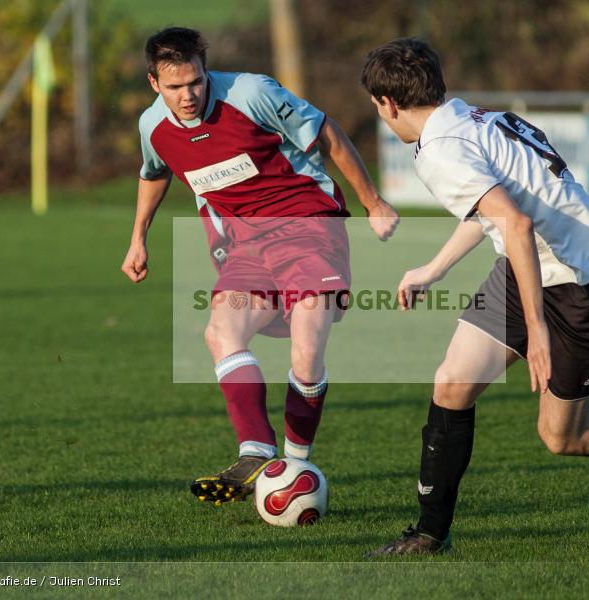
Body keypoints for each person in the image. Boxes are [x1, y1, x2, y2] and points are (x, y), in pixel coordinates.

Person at [359, 38, 589, 555]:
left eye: (376, 105)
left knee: (563, 437)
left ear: (388, 104)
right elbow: (494, 213)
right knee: (452, 383)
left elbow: (516, 223)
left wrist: (537, 329)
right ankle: (430, 533)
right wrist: (433, 269)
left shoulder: (441, 150)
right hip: (529, 268)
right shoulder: (472, 118)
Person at [122, 27, 398, 505]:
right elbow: (154, 171)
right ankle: (255, 451)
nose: (188, 95)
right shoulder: (153, 126)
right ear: (153, 83)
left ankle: (295, 464)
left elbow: (326, 133)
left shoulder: (251, 93)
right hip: (244, 246)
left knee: (307, 351)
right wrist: (137, 238)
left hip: (308, 225)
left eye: (196, 81)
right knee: (220, 333)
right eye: (174, 87)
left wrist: (372, 202)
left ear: (206, 71)